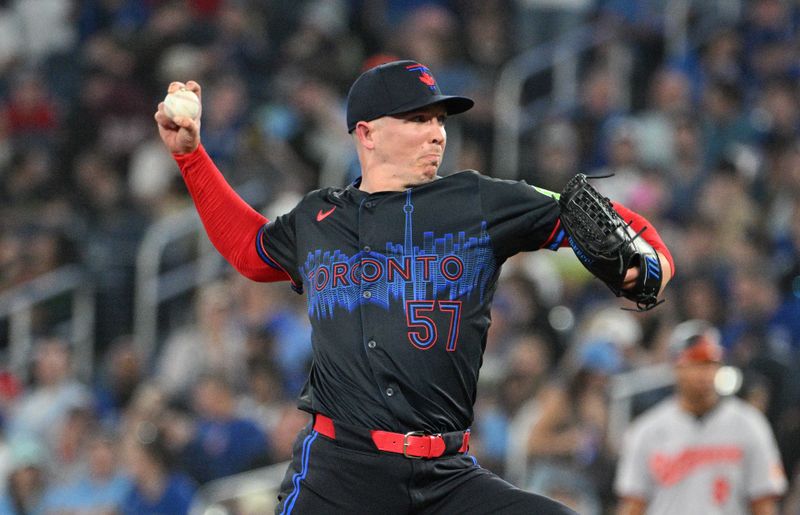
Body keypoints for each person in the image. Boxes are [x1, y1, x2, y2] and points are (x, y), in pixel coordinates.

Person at [154, 59, 674, 514]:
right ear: (367, 133)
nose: (437, 133)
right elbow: (250, 251)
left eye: (440, 120)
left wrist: (652, 261)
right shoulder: (318, 217)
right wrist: (192, 158)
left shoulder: (477, 200)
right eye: (418, 119)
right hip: (340, 474)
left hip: (446, 475)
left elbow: (600, 219)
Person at [614, 319, 787, 515]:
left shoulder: (749, 424)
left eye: (709, 364)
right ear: (676, 367)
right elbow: (633, 506)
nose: (703, 374)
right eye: (694, 364)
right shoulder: (648, 430)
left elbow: (763, 503)